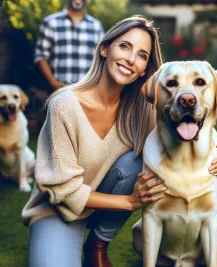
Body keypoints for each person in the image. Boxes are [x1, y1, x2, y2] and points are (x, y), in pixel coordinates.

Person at [22, 16, 165, 267]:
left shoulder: (143, 110)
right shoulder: (64, 105)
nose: (131, 59)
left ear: (145, 69)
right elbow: (63, 191)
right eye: (124, 46)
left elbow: (176, 138)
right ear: (104, 48)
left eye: (142, 55)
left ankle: (97, 245)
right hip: (58, 209)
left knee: (135, 161)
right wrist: (129, 202)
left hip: (105, 204)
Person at [34, 0, 104, 91]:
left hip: (88, 91)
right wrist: (53, 83)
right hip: (59, 91)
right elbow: (41, 56)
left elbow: (103, 58)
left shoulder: (96, 26)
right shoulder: (50, 23)